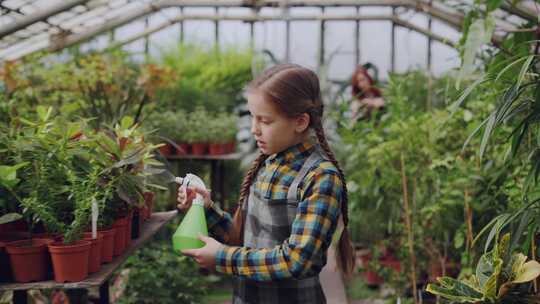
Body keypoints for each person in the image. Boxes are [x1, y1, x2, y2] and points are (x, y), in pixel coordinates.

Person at [177, 64, 355, 304]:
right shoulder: (267, 163)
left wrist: (222, 257)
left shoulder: (320, 178)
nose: (254, 129)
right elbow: (244, 239)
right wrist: (206, 209)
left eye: (265, 121)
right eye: (253, 118)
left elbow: (298, 260)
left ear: (300, 122)